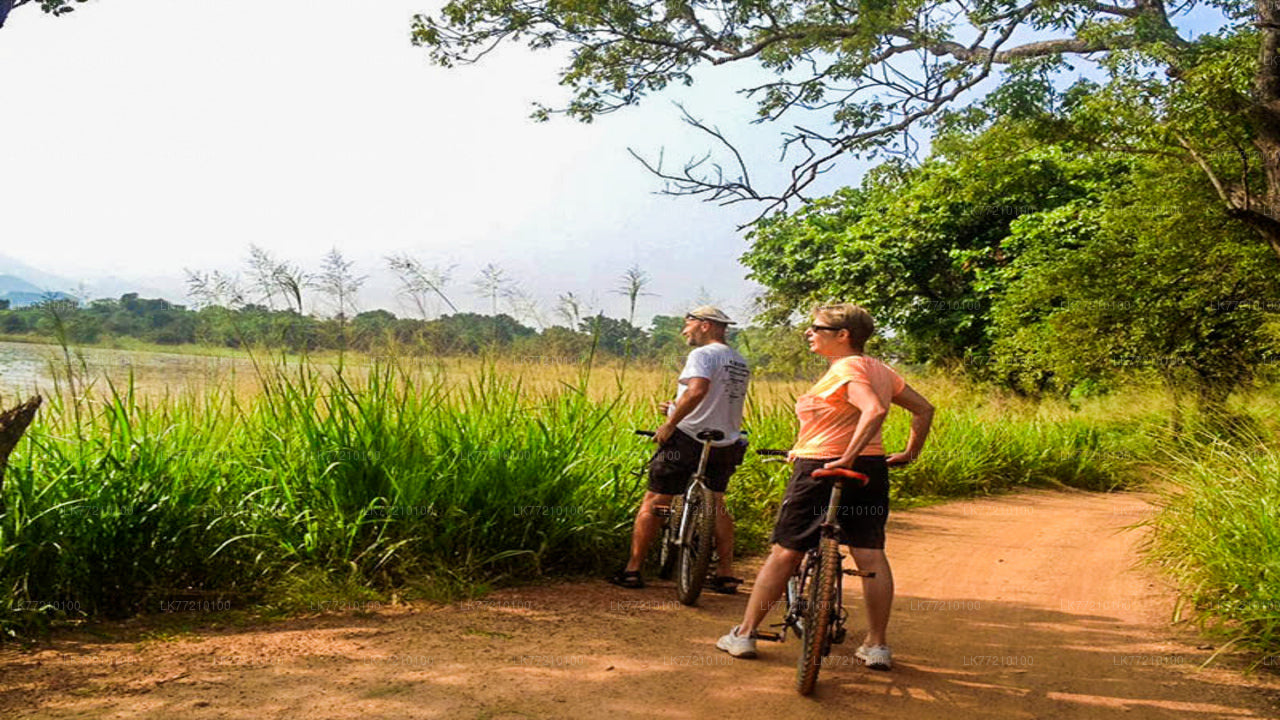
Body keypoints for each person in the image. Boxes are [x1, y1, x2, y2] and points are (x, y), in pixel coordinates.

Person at [716, 303, 934, 670]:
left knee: (787, 551)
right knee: (869, 553)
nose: (809, 333)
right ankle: (877, 644)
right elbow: (924, 409)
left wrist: (845, 457)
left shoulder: (846, 368)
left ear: (843, 335)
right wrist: (909, 452)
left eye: (816, 327)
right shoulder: (881, 370)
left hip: (823, 467)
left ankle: (745, 633)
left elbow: (874, 411)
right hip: (871, 469)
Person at [609, 306, 751, 592]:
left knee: (656, 499)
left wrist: (671, 422)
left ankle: (633, 569)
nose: (684, 331)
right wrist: (676, 405)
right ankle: (724, 573)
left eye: (687, 324)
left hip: (689, 438)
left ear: (705, 325)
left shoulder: (702, 355)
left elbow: (698, 390)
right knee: (717, 503)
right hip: (724, 442)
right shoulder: (739, 361)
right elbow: (715, 400)